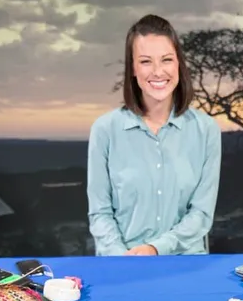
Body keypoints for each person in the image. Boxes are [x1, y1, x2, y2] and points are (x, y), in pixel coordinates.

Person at [87, 14, 222, 256]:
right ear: (133, 69)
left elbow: (201, 214)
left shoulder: (206, 130)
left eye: (167, 60)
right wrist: (122, 259)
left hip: (185, 266)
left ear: (178, 64)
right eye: (146, 61)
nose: (158, 72)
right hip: (120, 264)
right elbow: (100, 213)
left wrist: (156, 249)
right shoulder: (105, 129)